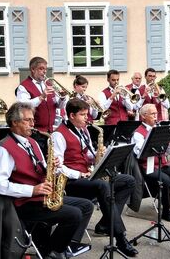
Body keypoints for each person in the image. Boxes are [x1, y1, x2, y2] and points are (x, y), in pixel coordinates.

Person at [0, 102, 93, 259]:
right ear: (14, 122)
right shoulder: (3, 149)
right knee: (74, 215)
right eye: (28, 120)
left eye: (33, 120)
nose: (33, 124)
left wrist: (52, 166)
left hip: (42, 196)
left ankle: (58, 248)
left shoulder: (31, 142)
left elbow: (41, 167)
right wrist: (33, 190)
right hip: (25, 203)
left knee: (86, 206)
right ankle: (53, 252)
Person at [53, 99, 138, 257]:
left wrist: (102, 153)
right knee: (102, 186)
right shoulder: (58, 135)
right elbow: (57, 167)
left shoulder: (83, 130)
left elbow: (90, 155)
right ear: (71, 115)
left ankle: (107, 223)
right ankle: (120, 238)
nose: (87, 118)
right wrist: (79, 174)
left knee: (128, 181)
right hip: (71, 182)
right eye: (83, 115)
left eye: (87, 114)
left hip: (88, 176)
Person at [132, 104, 170, 222]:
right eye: (153, 114)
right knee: (165, 180)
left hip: (163, 164)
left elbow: (169, 153)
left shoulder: (159, 129)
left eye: (156, 114)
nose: (156, 117)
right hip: (148, 167)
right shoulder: (138, 133)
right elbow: (140, 154)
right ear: (144, 116)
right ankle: (167, 211)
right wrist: (154, 141)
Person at [16, 57, 67, 133]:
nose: (44, 72)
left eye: (45, 69)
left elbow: (59, 106)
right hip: (34, 131)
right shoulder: (23, 86)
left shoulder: (48, 84)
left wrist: (62, 98)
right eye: (41, 69)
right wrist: (41, 97)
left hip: (51, 130)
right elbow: (24, 107)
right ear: (33, 69)